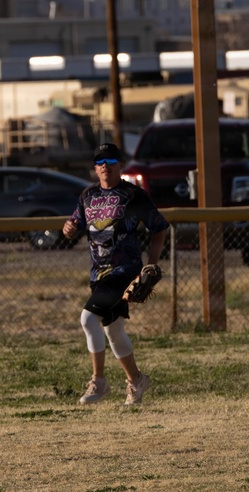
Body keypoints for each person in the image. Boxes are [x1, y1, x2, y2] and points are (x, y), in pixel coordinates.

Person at [62, 143, 169, 407]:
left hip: (125, 271)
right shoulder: (87, 195)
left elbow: (159, 228)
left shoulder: (133, 195)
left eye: (110, 160)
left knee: (88, 319)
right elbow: (75, 224)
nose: (105, 165)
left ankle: (99, 381)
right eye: (100, 161)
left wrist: (150, 265)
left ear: (120, 165)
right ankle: (137, 380)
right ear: (95, 168)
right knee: (113, 330)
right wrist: (68, 228)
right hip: (98, 273)